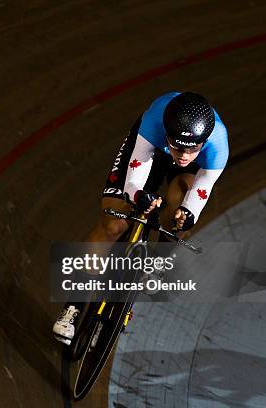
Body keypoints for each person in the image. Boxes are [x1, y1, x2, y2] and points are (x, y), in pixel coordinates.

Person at [53, 91, 229, 345]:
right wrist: (138, 196)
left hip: (186, 166)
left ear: (204, 142)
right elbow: (133, 181)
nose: (183, 155)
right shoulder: (154, 122)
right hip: (151, 149)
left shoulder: (218, 143)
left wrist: (188, 215)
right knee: (113, 224)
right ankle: (74, 306)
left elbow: (201, 191)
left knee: (179, 208)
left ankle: (157, 264)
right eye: (178, 146)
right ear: (168, 134)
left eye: (192, 148)